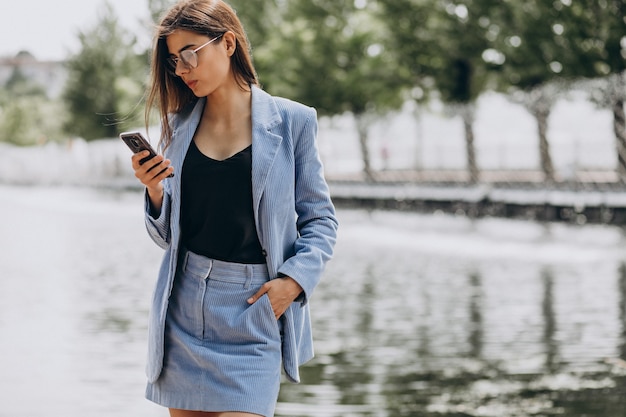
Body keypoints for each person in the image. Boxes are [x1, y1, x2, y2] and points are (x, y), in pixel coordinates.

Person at [129, 0, 338, 416]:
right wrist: (154, 192)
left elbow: (321, 220)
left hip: (253, 310)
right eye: (173, 61)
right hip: (185, 309)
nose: (182, 68)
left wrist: (293, 282)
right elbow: (168, 237)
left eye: (190, 53)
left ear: (227, 43)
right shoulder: (179, 126)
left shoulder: (293, 121)